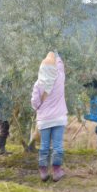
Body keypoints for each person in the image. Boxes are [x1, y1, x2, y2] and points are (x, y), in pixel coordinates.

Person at [31, 51, 67, 182]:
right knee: (57, 145)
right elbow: (60, 65)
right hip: (59, 118)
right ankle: (57, 171)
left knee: (44, 145)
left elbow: (34, 103)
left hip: (44, 120)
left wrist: (39, 109)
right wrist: (56, 55)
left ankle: (43, 172)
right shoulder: (60, 77)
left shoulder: (38, 83)